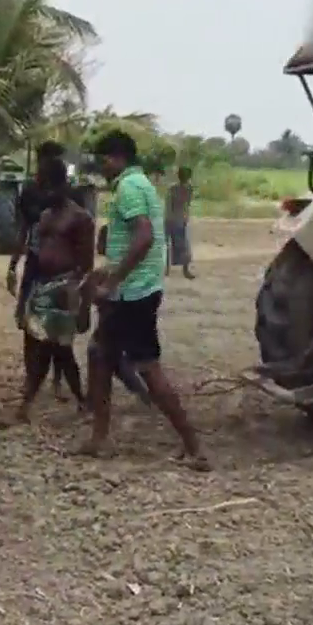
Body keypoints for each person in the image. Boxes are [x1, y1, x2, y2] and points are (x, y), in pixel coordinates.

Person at [83, 130, 208, 470]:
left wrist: (115, 280)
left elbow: (144, 236)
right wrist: (109, 271)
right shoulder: (141, 184)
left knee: (148, 368)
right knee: (99, 354)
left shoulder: (128, 187)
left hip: (132, 293)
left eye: (103, 160)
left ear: (116, 157)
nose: (102, 167)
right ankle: (99, 439)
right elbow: (135, 240)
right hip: (136, 287)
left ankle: (194, 447)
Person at [0, 158, 93, 427]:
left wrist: (83, 305)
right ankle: (76, 401)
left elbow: (86, 265)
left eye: (47, 186)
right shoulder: (45, 215)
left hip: (65, 288)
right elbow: (34, 247)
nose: (44, 192)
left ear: (61, 184)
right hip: (43, 285)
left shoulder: (80, 218)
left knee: (56, 350)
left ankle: (27, 406)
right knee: (49, 347)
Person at [165, 166, 196, 279]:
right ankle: (184, 271)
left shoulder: (173, 188)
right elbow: (186, 204)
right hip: (178, 219)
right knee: (183, 246)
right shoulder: (187, 189)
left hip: (172, 219)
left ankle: (167, 270)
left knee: (169, 245)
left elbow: (169, 204)